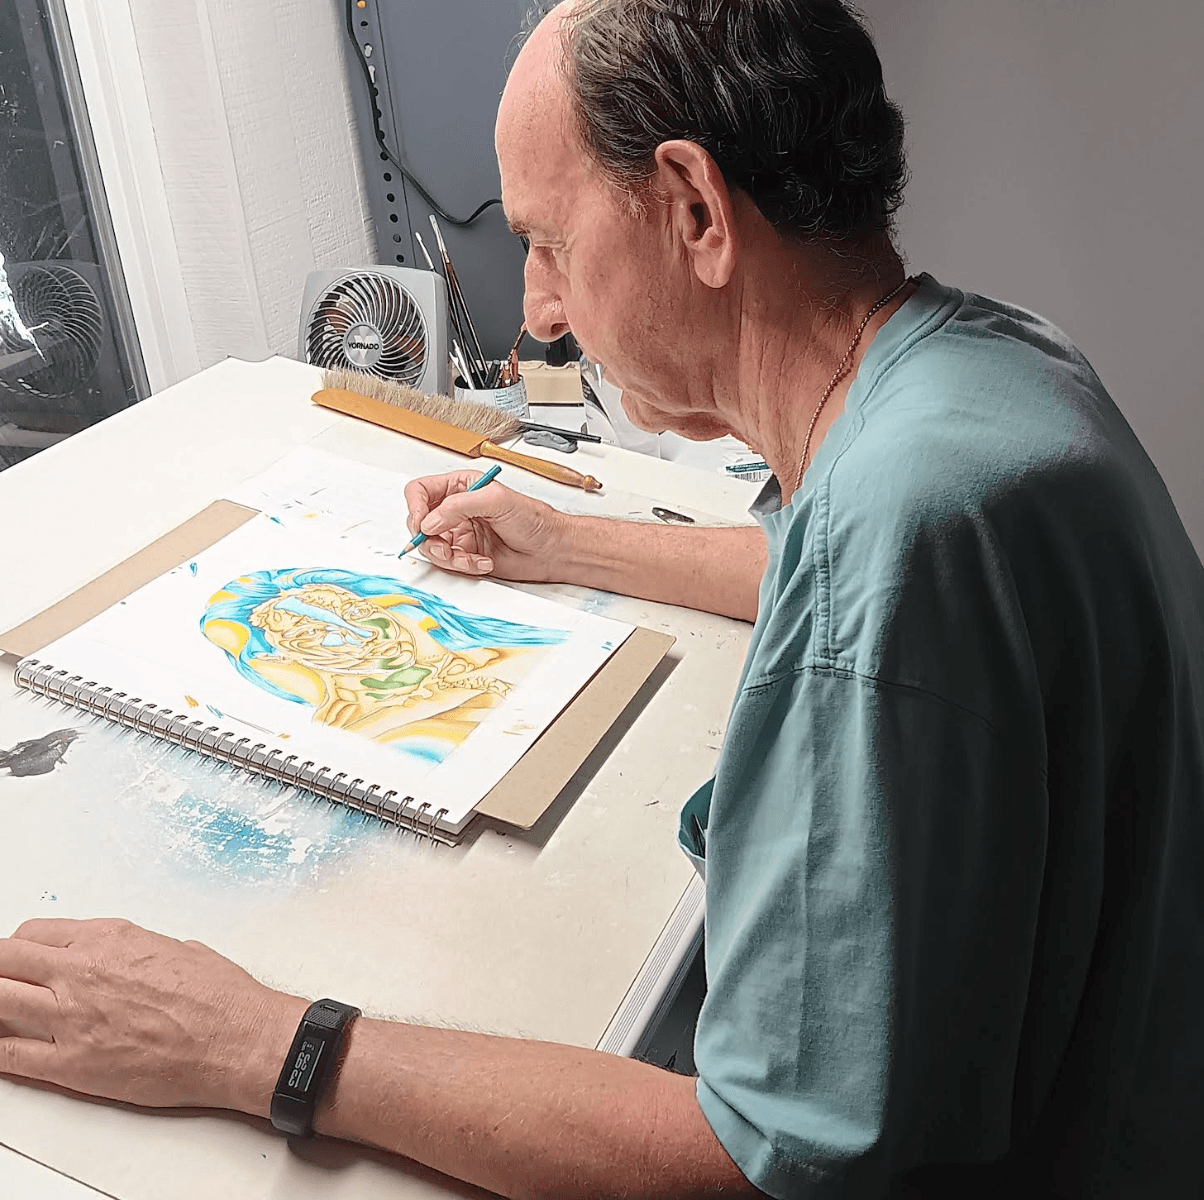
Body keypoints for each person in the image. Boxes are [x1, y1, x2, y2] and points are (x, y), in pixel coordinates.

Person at [2, 1, 1202, 1196]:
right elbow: (824, 574)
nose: (538, 310)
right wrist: (571, 543)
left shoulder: (900, 524)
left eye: (548, 243)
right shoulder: (979, 371)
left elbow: (754, 1169)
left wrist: (259, 1043)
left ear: (694, 211)